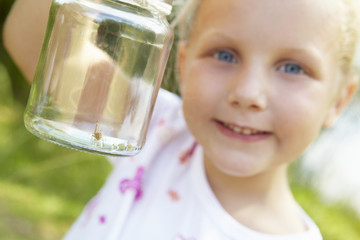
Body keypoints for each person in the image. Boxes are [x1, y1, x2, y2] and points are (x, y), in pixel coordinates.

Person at [3, 0, 360, 239]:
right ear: (182, 65)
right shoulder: (159, 129)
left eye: (293, 68)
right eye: (224, 54)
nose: (248, 93)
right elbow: (31, 43)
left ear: (339, 100)